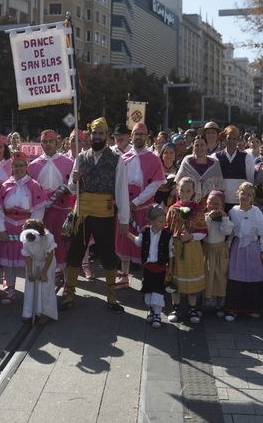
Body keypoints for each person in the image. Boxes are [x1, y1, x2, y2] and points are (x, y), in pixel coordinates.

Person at [62, 117, 130, 312]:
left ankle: (111, 296)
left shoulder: (117, 159)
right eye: (94, 133)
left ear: (107, 136)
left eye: (101, 133)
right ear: (90, 135)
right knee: (75, 253)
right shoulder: (81, 157)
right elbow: (72, 188)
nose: (97, 136)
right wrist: (74, 180)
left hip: (104, 213)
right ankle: (70, 294)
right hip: (82, 212)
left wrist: (124, 219)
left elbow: (121, 190)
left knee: (108, 255)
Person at [0, 152, 49, 305]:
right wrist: (1, 229)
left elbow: (38, 211)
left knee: (27, 262)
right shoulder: (5, 186)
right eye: (15, 166)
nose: (17, 168)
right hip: (8, 229)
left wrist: (31, 231)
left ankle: (30, 293)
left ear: (26, 166)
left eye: (21, 165)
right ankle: (10, 291)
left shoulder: (34, 186)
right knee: (9, 263)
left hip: (26, 229)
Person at [115, 122, 165, 288]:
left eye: (142, 134)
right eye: (136, 134)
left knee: (145, 244)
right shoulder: (123, 158)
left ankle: (147, 277)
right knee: (124, 240)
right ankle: (124, 276)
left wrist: (135, 203)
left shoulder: (153, 159)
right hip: (125, 207)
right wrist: (124, 204)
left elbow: (154, 185)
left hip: (143, 209)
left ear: (147, 137)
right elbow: (118, 183)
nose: (138, 137)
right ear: (131, 136)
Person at [28, 129, 74, 280]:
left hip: (63, 211)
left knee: (63, 245)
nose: (48, 145)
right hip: (43, 212)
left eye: (50, 141)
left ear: (57, 143)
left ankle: (68, 283)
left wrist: (67, 189)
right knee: (44, 245)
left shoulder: (69, 163)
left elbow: (75, 187)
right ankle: (44, 278)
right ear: (41, 143)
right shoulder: (33, 165)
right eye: (45, 142)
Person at [224, 182, 263, 320]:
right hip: (237, 248)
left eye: (249, 195)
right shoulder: (233, 211)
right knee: (236, 275)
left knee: (252, 275)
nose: (245, 196)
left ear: (253, 198)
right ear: (238, 193)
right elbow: (230, 233)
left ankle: (252, 308)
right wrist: (227, 247)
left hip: (252, 248)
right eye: (243, 193)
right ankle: (233, 308)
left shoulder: (256, 212)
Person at [166, 177, 206, 324]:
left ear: (193, 192)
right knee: (175, 279)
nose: (185, 193)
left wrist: (191, 236)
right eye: (182, 190)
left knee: (191, 279)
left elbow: (203, 231)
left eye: (188, 190)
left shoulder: (198, 210)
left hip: (192, 248)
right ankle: (176, 307)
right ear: (178, 190)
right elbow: (168, 229)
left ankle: (192, 308)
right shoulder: (173, 209)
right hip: (176, 248)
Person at [125, 205, 173, 328]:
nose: (163, 224)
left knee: (158, 290)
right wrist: (126, 233)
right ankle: (152, 311)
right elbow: (138, 241)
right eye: (161, 221)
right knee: (148, 289)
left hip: (160, 267)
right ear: (152, 222)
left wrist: (170, 267)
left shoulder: (167, 235)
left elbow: (171, 252)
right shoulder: (145, 232)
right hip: (147, 267)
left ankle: (157, 314)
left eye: (164, 221)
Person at [20, 219, 58, 324]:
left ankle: (46, 313)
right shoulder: (26, 237)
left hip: (47, 262)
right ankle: (29, 312)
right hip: (33, 262)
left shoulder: (49, 238)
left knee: (46, 287)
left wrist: (44, 272)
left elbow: (50, 256)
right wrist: (30, 273)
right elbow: (27, 257)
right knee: (30, 285)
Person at [203, 189, 234, 317]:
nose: (213, 207)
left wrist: (224, 217)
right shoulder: (204, 218)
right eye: (211, 203)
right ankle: (206, 303)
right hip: (207, 250)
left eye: (217, 204)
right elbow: (204, 231)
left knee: (220, 277)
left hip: (220, 251)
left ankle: (220, 304)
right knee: (207, 276)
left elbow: (227, 232)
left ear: (222, 206)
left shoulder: (225, 219)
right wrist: (209, 218)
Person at [215, 125, 255, 211]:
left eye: (234, 139)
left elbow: (250, 180)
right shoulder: (216, 157)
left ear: (238, 140)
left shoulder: (247, 157)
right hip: (221, 201)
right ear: (225, 138)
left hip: (240, 202)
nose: (231, 141)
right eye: (229, 138)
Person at [175, 135, 224, 204]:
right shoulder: (187, 161)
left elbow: (219, 188)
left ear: (206, 146)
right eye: (196, 145)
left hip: (209, 204)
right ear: (193, 147)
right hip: (189, 203)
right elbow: (179, 184)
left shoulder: (215, 163)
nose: (199, 148)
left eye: (202, 145)